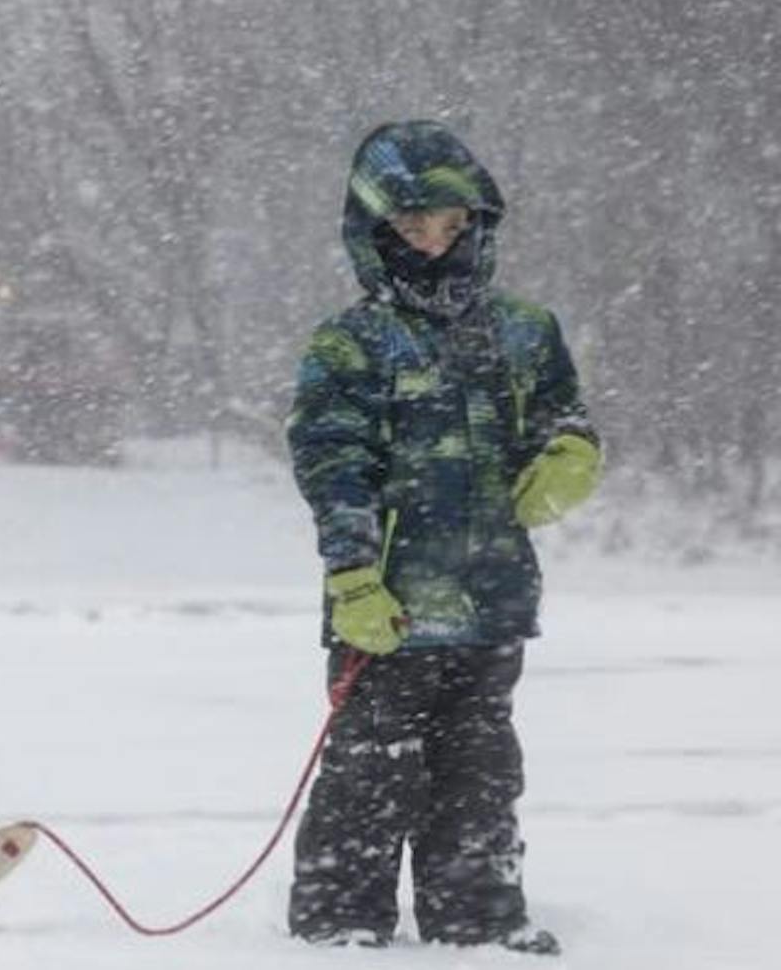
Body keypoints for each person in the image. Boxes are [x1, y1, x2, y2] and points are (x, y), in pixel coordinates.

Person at [284, 121, 601, 955]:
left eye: (453, 222)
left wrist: (572, 452)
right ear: (377, 232)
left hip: (492, 600)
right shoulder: (350, 343)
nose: (435, 240)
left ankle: (479, 921)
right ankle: (342, 924)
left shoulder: (525, 331)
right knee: (371, 773)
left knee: (479, 772)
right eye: (415, 225)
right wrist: (352, 576)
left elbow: (563, 415)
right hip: (386, 610)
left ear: (478, 222)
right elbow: (332, 462)